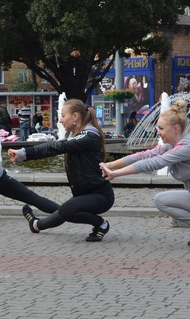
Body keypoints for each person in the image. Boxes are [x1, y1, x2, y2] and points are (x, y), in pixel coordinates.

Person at [100, 100, 190, 261]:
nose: (158, 132)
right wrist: (109, 165)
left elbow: (152, 163)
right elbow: (144, 155)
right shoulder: (170, 146)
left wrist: (115, 174)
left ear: (175, 129)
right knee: (161, 200)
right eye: (157, 128)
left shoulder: (186, 148)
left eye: (161, 128)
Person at [8, 99, 114, 241]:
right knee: (65, 210)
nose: (60, 120)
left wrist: (23, 153)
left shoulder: (88, 137)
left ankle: (101, 224)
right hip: (84, 195)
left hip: (100, 196)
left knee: (66, 210)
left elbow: (55, 147)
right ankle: (36, 225)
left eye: (63, 116)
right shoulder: (78, 136)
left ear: (75, 116)